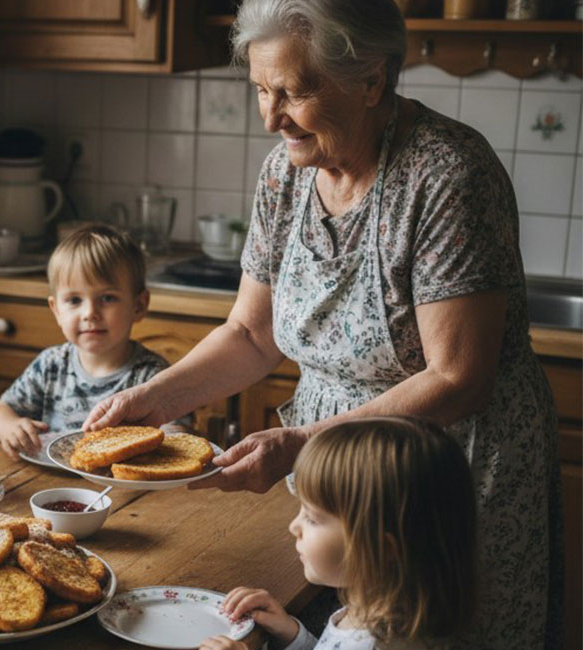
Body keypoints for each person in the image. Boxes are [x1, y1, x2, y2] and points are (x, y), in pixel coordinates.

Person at [83, 1, 561, 646]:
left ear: (372, 79)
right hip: (329, 479)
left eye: (293, 92)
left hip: (436, 480)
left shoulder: (448, 174)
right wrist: (152, 398)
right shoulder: (286, 171)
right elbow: (252, 334)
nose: (270, 116)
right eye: (259, 89)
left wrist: (308, 443)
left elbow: (457, 378)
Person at [199, 417, 476, 650]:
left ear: (383, 548)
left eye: (312, 518)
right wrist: (291, 633)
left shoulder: (381, 643)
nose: (294, 527)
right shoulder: (374, 613)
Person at [0, 224, 169, 460]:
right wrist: (11, 428)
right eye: (74, 300)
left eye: (107, 298)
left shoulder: (152, 376)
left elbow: (175, 437)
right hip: (51, 486)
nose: (89, 313)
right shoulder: (50, 365)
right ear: (56, 310)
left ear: (138, 306)